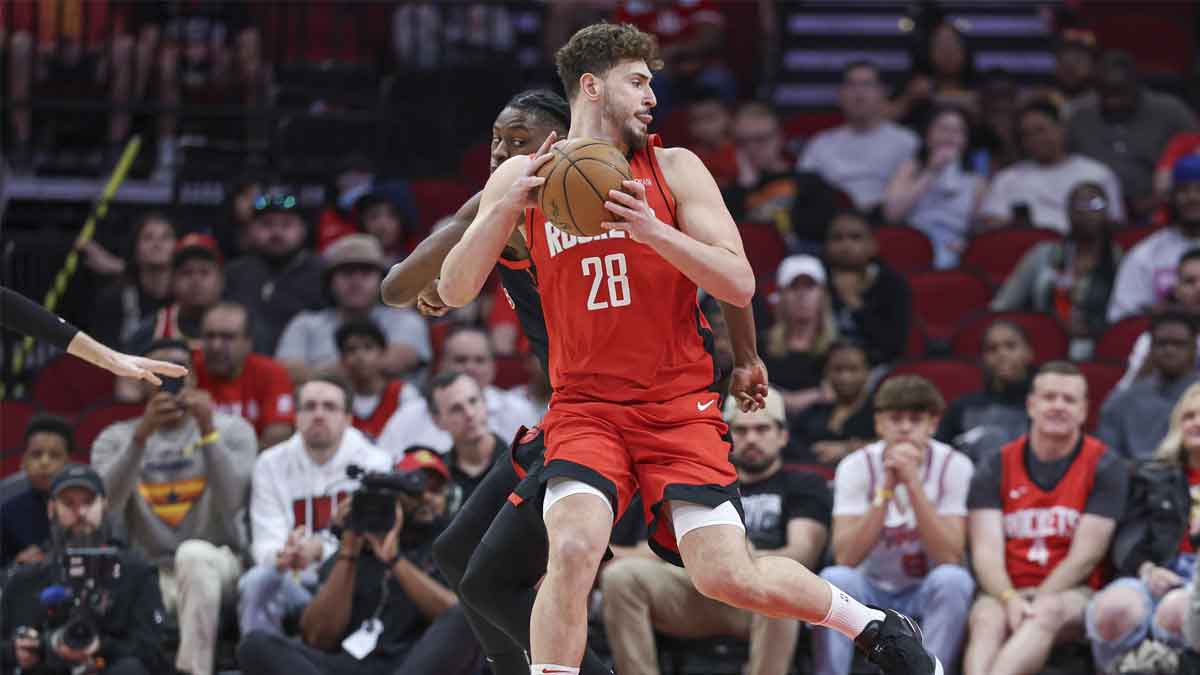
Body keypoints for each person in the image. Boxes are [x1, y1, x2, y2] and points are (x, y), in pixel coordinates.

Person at [438, 22, 941, 675]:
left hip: (677, 408)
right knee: (573, 547)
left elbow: (738, 279)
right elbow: (453, 289)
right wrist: (500, 204)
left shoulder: (673, 168)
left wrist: (649, 230)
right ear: (591, 85)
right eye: (638, 80)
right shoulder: (529, 181)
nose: (652, 94)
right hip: (585, 409)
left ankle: (872, 622)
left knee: (728, 576)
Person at [385, 87, 769, 675]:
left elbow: (728, 271)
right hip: (570, 413)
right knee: (454, 553)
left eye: (516, 143)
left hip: (618, 413)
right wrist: (476, 227)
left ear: (559, 146)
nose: (498, 153)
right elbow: (396, 288)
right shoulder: (509, 204)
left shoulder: (619, 201)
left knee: (489, 582)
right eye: (494, 140)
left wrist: (746, 354)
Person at [601, 388, 832, 675]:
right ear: (727, 436)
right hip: (695, 586)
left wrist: (739, 554)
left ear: (783, 435)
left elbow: (801, 555)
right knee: (621, 578)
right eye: (741, 430)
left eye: (762, 429)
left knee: (782, 589)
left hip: (756, 596)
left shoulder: (804, 483)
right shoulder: (703, 480)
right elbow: (658, 547)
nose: (751, 439)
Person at [91, 339, 257, 675]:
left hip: (219, 561)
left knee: (193, 556)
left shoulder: (233, 430)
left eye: (176, 371)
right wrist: (141, 437)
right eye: (156, 372)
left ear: (193, 378)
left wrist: (208, 431)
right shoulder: (115, 438)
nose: (166, 381)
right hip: (152, 570)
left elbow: (233, 501)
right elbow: (105, 508)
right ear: (140, 379)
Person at [237, 450, 482, 675]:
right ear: (396, 497)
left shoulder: (450, 546)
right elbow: (317, 637)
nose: (427, 497)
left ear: (449, 498)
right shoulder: (358, 542)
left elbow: (458, 618)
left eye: (436, 489)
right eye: (416, 490)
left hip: (408, 666)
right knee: (255, 645)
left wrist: (395, 561)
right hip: (345, 666)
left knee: (468, 617)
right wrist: (349, 550)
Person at [962, 361, 1128, 675]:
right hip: (1004, 589)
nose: (1058, 406)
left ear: (1083, 411)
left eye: (1069, 400)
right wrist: (1010, 598)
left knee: (1046, 612)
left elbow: (1085, 556)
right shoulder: (995, 465)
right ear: (1031, 404)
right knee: (987, 619)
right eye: (1049, 397)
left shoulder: (1106, 465)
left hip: (1073, 592)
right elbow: (985, 552)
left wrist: (1037, 598)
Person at [815, 376, 975, 675]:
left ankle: (931, 672)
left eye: (915, 419)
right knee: (835, 577)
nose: (904, 428)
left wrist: (913, 484)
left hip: (924, 589)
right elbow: (846, 556)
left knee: (955, 580)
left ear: (933, 424)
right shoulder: (854, 466)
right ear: (879, 424)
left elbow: (950, 556)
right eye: (895, 418)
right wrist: (887, 487)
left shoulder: (956, 466)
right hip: (872, 589)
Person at [237, 377, 391, 638]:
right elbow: (265, 540)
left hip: (349, 583)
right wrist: (284, 554)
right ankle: (261, 660)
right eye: (309, 406)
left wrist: (322, 550)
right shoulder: (270, 463)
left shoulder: (376, 464)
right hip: (293, 578)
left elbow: (374, 543)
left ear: (348, 418)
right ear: (296, 416)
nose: (318, 415)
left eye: (329, 407)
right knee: (257, 581)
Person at [0, 465, 171, 675]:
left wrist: (102, 647)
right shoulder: (25, 579)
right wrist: (16, 652)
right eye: (68, 503)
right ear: (51, 508)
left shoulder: (136, 573)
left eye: (88, 502)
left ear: (104, 506)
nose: (80, 513)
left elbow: (153, 652)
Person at [1088, 383, 1200, 673]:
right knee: (1113, 610)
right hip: (1153, 570)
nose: (1197, 423)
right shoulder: (1149, 474)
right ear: (1177, 425)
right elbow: (1127, 537)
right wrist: (1147, 569)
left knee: (1180, 610)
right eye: (1189, 416)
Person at [276, 233, 430, 382]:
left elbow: (397, 361)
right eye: (347, 272)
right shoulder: (304, 324)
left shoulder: (405, 319)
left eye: (366, 272)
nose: (356, 281)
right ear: (330, 282)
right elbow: (287, 373)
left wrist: (318, 372)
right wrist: (365, 365)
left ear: (383, 280)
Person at [1068, 50, 1198, 223]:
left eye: (1119, 91)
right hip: (1092, 213)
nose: (1112, 100)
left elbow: (1194, 157)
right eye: (1105, 92)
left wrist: (1159, 200)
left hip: (1160, 211)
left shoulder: (1171, 112)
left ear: (1136, 84)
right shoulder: (1079, 116)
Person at [991, 182, 1121, 350]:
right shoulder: (1042, 254)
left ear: (1107, 211)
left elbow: (1124, 316)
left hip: (1098, 346)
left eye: (1095, 204)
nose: (1087, 212)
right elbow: (1003, 306)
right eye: (1079, 205)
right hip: (1041, 343)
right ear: (1068, 212)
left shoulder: (1120, 260)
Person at [377, 325, 538, 455]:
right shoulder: (411, 413)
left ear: (493, 366)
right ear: (442, 364)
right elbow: (384, 462)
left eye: (479, 360)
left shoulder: (519, 410)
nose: (470, 367)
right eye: (460, 360)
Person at [978, 98, 1124, 233]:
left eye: (1040, 130)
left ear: (1061, 129)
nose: (1034, 139)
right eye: (1026, 134)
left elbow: (1114, 223)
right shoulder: (1007, 178)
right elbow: (992, 225)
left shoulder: (1097, 173)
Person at [799, 61, 919, 213]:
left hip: (887, 224)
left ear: (881, 92)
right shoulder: (820, 144)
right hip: (832, 225)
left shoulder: (907, 141)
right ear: (840, 94)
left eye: (867, 84)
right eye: (851, 85)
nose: (859, 92)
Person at [883, 105, 987, 269]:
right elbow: (891, 214)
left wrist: (967, 245)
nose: (949, 137)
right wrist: (931, 172)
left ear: (965, 140)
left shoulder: (976, 181)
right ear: (928, 135)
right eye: (943, 129)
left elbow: (978, 230)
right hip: (913, 242)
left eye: (957, 131)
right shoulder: (910, 168)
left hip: (954, 249)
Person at [224, 190, 326, 354]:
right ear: (251, 230)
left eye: (286, 224)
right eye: (267, 224)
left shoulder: (322, 273)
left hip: (306, 365)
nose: (277, 232)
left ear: (303, 230)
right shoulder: (234, 273)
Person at [1109, 155, 1200, 323]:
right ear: (1171, 197)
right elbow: (1123, 319)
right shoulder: (1146, 254)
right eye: (1184, 190)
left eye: (1199, 190)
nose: (1193, 197)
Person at [194, 302, 296, 449]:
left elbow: (278, 440)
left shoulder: (271, 373)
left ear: (248, 342)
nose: (216, 346)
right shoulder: (189, 370)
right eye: (210, 336)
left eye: (227, 337)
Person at [1099, 311, 1200, 458]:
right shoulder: (1121, 402)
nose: (1169, 350)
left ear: (1193, 349)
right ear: (1150, 348)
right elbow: (1107, 459)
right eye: (1162, 343)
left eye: (1179, 344)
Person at [935, 319, 1033, 461]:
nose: (1002, 354)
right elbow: (940, 456)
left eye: (1010, 346)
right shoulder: (962, 408)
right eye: (992, 349)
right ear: (983, 359)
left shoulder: (1044, 405)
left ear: (1029, 352)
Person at [825, 211, 913, 366]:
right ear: (827, 246)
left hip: (877, 366)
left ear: (872, 246)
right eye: (837, 238)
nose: (846, 245)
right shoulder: (816, 281)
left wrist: (854, 303)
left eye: (855, 237)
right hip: (825, 369)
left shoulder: (892, 284)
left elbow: (894, 346)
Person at [124, 233, 226, 356]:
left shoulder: (243, 328)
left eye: (204, 272)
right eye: (186, 273)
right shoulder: (151, 331)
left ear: (221, 280)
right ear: (172, 280)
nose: (196, 281)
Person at [762, 255, 838, 418]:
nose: (802, 295)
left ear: (822, 295)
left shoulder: (838, 348)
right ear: (781, 296)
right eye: (794, 287)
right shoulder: (761, 345)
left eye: (810, 287)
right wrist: (816, 395)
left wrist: (781, 398)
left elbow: (838, 393)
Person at [90, 213, 178, 348]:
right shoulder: (114, 298)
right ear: (136, 248)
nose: (157, 244)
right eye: (148, 238)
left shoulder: (187, 296)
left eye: (166, 237)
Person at [1118, 249, 1200, 389]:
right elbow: (1126, 395)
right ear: (1176, 290)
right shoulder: (1153, 339)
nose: (1199, 288)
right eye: (1189, 281)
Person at [0, 415, 73, 568]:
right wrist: (17, 564)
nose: (44, 462)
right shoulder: (7, 513)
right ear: (24, 461)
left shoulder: (86, 508)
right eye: (36, 454)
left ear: (68, 463)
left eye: (55, 455)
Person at [790, 340, 876, 469]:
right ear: (827, 373)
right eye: (837, 369)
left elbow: (891, 443)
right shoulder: (813, 412)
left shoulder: (879, 411)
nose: (845, 377)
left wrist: (847, 449)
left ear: (867, 372)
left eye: (853, 369)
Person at [426, 371, 509, 503]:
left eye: (473, 401)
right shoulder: (436, 479)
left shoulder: (521, 462)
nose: (469, 414)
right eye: (456, 409)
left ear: (485, 402)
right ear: (437, 421)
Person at [722, 102, 802, 228]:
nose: (752, 148)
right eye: (743, 141)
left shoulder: (807, 182)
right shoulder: (729, 193)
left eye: (760, 139)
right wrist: (746, 185)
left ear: (780, 137)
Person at [336, 318, 406, 441]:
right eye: (351, 349)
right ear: (342, 359)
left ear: (383, 354)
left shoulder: (403, 394)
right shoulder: (335, 397)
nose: (360, 356)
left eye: (368, 347)